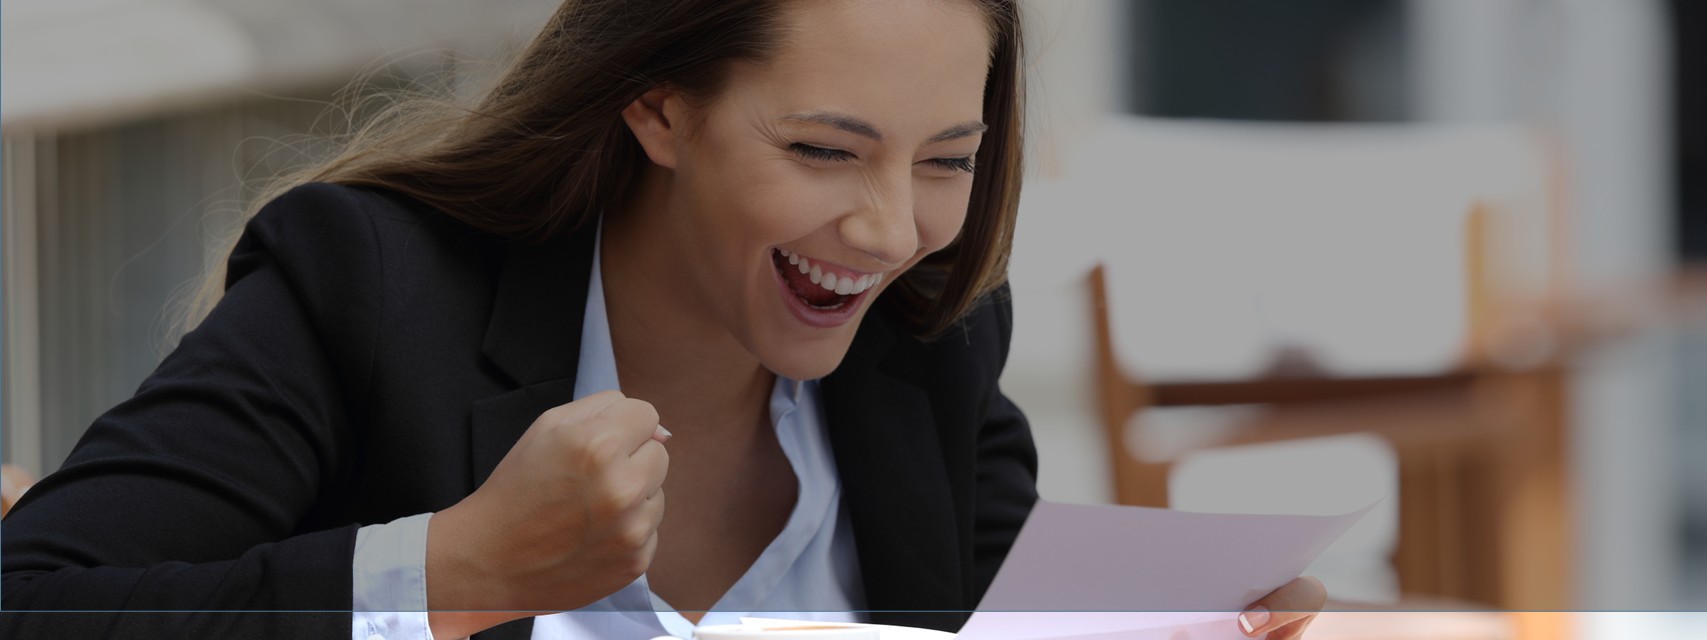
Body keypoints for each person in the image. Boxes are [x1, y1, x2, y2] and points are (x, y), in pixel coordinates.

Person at [0, 1, 1326, 638]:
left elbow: (1003, 619)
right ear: (659, 108)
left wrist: (1189, 624)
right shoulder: (373, 286)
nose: (888, 232)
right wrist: (455, 572)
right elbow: (33, 602)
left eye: (946, 160)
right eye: (823, 150)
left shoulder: (929, 339)